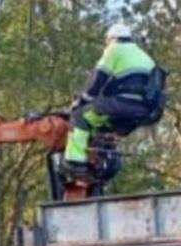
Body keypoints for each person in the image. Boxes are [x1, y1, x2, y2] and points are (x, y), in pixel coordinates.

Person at [63, 23, 166, 179]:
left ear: (111, 38)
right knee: (101, 124)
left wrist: (81, 102)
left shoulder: (114, 49)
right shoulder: (144, 56)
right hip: (143, 111)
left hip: (123, 104)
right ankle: (102, 151)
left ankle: (75, 163)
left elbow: (96, 82)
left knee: (80, 116)